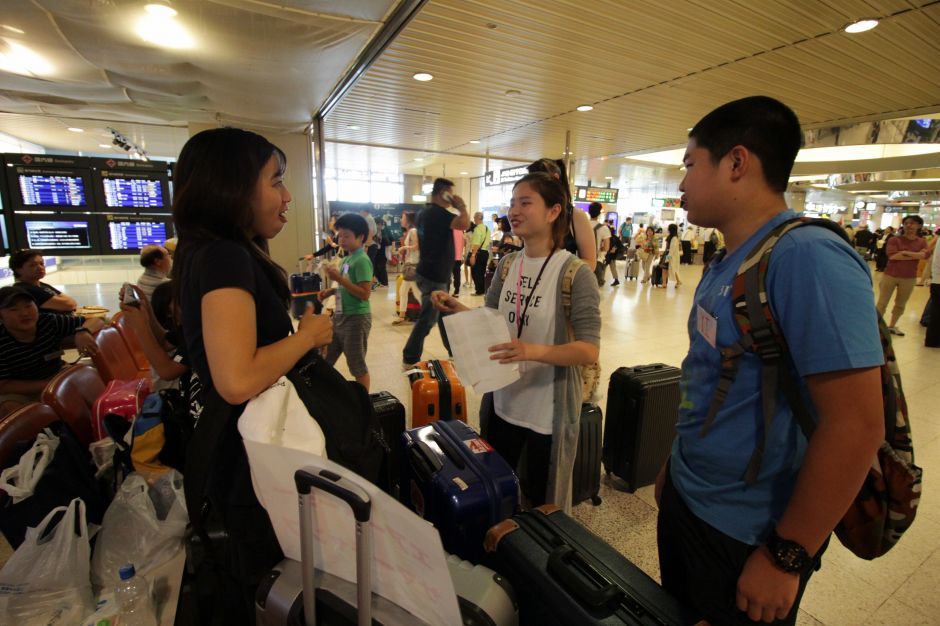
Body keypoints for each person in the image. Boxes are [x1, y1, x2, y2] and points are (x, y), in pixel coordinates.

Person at [656, 96, 884, 626]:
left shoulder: (807, 257)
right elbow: (708, 377)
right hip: (694, 499)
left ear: (737, 163)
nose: (682, 184)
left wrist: (788, 554)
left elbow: (856, 424)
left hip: (749, 531)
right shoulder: (729, 259)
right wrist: (679, 459)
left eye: (690, 165)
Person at [171, 127, 334, 622]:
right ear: (232, 187)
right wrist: (306, 337)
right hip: (251, 459)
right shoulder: (224, 255)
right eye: (276, 180)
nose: (287, 196)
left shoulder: (202, 251)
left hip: (235, 447)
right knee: (274, 576)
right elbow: (237, 378)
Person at [431, 172, 600, 511]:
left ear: (554, 211)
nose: (514, 210)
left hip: (545, 413)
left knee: (542, 501)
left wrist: (531, 351)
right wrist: (458, 307)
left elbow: (589, 350)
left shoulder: (575, 274)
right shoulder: (508, 265)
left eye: (525, 203)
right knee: (501, 489)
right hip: (503, 401)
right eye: (512, 203)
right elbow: (491, 321)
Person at [0, 286, 103, 417]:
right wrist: (51, 384)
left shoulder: (48, 321)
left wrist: (82, 331)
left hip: (56, 375)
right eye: (13, 309)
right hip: (21, 392)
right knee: (12, 411)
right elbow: (4, 386)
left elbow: (97, 319)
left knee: (93, 382)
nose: (25, 313)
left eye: (28, 306)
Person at [401, 178, 470, 368]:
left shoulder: (423, 213)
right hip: (434, 275)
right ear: (444, 193)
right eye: (450, 192)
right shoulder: (438, 214)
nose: (453, 196)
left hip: (432, 271)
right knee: (428, 319)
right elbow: (465, 223)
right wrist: (461, 206)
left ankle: (454, 352)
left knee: (445, 315)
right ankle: (410, 356)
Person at [318, 214, 373, 391]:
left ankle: (364, 403)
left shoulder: (362, 260)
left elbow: (364, 294)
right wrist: (331, 290)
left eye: (347, 236)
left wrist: (338, 280)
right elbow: (347, 286)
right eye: (339, 235)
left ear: (361, 237)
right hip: (340, 316)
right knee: (327, 357)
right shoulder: (347, 259)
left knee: (356, 364)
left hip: (356, 319)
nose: (342, 240)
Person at [526, 158, 596, 271]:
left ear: (555, 178)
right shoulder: (531, 214)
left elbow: (590, 262)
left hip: (561, 285)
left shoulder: (575, 216)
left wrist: (553, 267)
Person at [119, 282, 188, 392]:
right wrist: (145, 306)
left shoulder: (200, 329)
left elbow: (167, 371)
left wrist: (140, 327)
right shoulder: (187, 327)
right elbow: (164, 342)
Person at [877, 214, 928, 336]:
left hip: (909, 277)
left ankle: (892, 326)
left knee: (901, 303)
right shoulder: (894, 239)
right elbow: (893, 256)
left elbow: (924, 256)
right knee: (882, 302)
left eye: (912, 223)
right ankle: (876, 325)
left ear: (919, 226)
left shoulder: (922, 242)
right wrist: (915, 255)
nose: (909, 225)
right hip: (890, 275)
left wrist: (904, 252)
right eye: (906, 223)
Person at [9, 249, 78, 313]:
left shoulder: (41, 285)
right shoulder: (26, 289)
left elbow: (71, 302)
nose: (40, 267)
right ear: (18, 270)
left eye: (41, 264)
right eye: (32, 265)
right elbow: (69, 305)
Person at [394, 211, 421, 325]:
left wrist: (404, 247)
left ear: (408, 220)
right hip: (410, 265)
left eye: (403, 218)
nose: (401, 220)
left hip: (413, 265)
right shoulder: (410, 231)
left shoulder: (413, 231)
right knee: (404, 291)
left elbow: (417, 246)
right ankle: (402, 315)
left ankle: (428, 316)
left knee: (417, 292)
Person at [469, 211, 492, 295]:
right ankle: (482, 290)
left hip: (478, 253)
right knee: (482, 272)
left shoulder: (477, 229)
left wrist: (473, 255)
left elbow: (476, 243)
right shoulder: (487, 228)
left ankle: (479, 291)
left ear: (478, 218)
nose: (474, 219)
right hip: (485, 253)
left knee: (475, 272)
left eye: (474, 217)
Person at [588, 202, 610, 286]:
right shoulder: (604, 228)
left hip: (580, 260)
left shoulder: (581, 225)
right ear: (599, 213)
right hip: (597, 260)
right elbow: (606, 247)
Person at [926, 231, 940, 348]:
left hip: (937, 280)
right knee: (936, 314)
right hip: (938, 281)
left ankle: (933, 340)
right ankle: (933, 341)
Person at [662, 223, 682, 288]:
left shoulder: (674, 238)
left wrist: (668, 258)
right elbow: (667, 247)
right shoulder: (670, 237)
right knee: (665, 268)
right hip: (667, 254)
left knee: (673, 269)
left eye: (669, 228)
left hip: (671, 256)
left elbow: (672, 250)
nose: (668, 229)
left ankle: (678, 281)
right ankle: (664, 283)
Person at [372, 218, 390, 288]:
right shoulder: (374, 232)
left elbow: (388, 242)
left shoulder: (384, 231)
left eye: (381, 224)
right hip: (375, 251)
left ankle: (384, 283)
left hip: (382, 251)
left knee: (381, 267)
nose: (380, 226)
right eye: (378, 224)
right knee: (376, 267)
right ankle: (380, 281)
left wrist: (389, 255)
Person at [451, 227, 465, 297]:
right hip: (458, 257)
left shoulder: (451, 231)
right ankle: (457, 291)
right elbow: (464, 244)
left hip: (450, 257)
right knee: (457, 275)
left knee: (447, 275)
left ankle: (446, 291)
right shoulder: (461, 232)